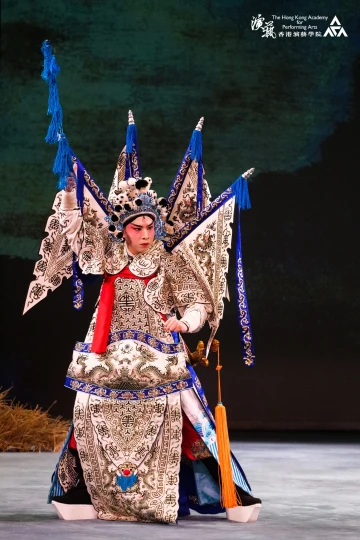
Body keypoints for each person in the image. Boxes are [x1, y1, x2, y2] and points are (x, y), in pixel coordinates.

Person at [49, 170, 262, 524]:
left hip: (159, 357)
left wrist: (186, 322)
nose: (146, 234)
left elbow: (196, 302)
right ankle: (82, 492)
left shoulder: (169, 260)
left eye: (150, 227)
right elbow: (76, 234)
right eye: (137, 228)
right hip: (106, 357)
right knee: (87, 415)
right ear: (123, 228)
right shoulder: (107, 253)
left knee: (192, 420)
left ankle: (232, 494)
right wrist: (71, 195)